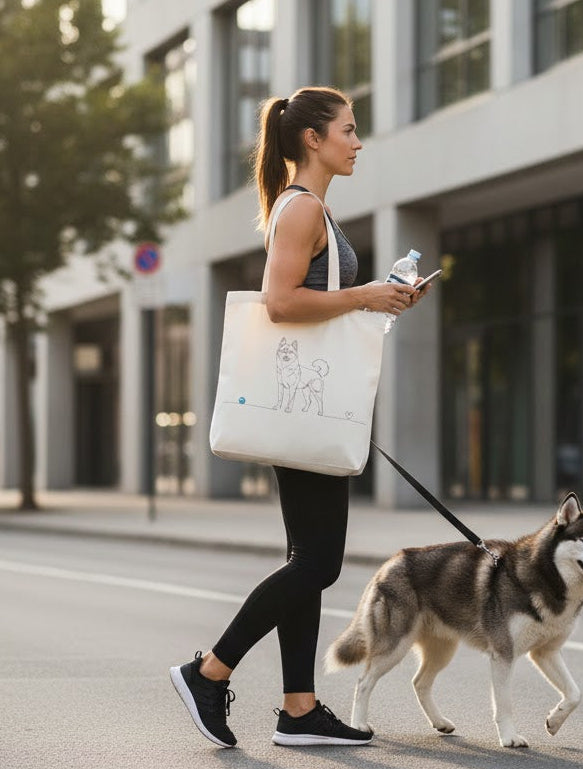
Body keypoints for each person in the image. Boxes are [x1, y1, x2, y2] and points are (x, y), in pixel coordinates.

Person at [170, 86, 429, 749]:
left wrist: (375, 301)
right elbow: (280, 303)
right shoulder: (300, 208)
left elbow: (313, 301)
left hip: (309, 404)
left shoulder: (311, 208)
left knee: (307, 558)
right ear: (312, 138)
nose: (357, 140)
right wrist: (363, 294)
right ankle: (208, 671)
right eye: (348, 128)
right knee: (317, 563)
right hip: (304, 406)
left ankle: (298, 707)